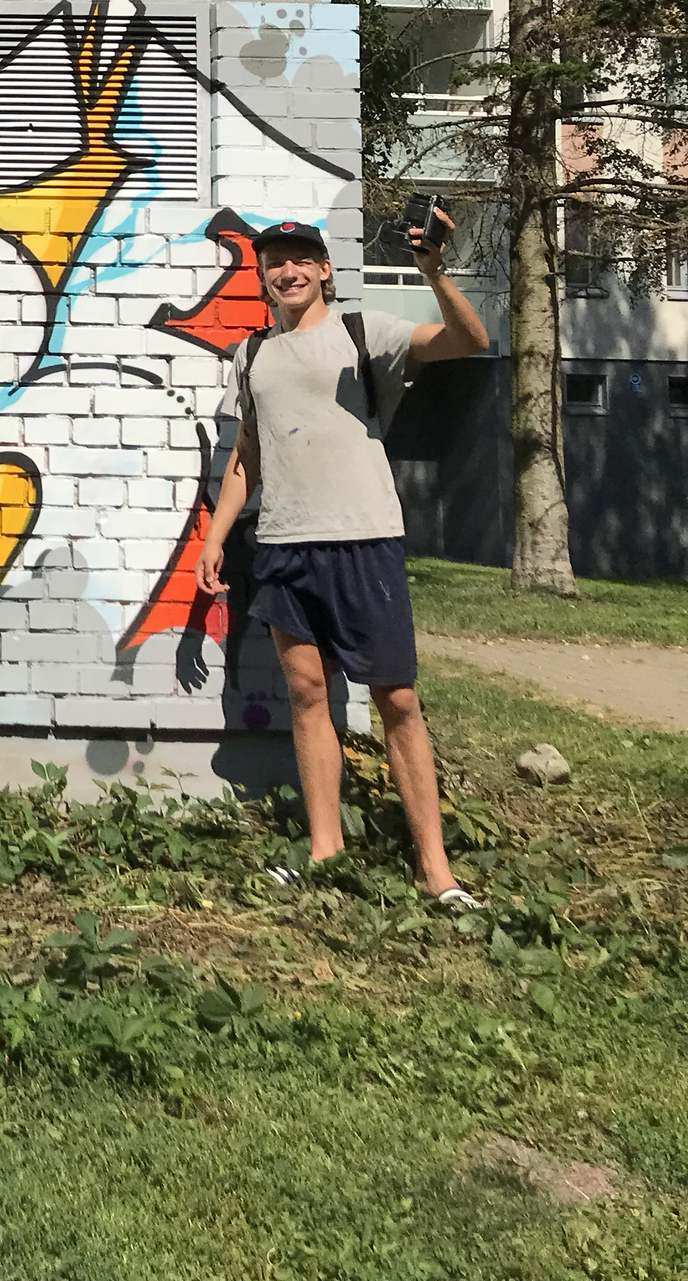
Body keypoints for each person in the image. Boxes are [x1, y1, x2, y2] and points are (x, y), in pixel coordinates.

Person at [197, 208, 489, 909]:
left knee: (398, 700)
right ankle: (326, 852)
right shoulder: (252, 355)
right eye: (275, 262)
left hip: (364, 540)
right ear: (263, 276)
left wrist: (434, 273)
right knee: (307, 695)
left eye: (302, 258)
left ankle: (436, 871)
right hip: (284, 545)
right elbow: (247, 456)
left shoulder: (364, 333)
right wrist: (215, 535)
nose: (288, 270)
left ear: (325, 269)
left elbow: (469, 340)